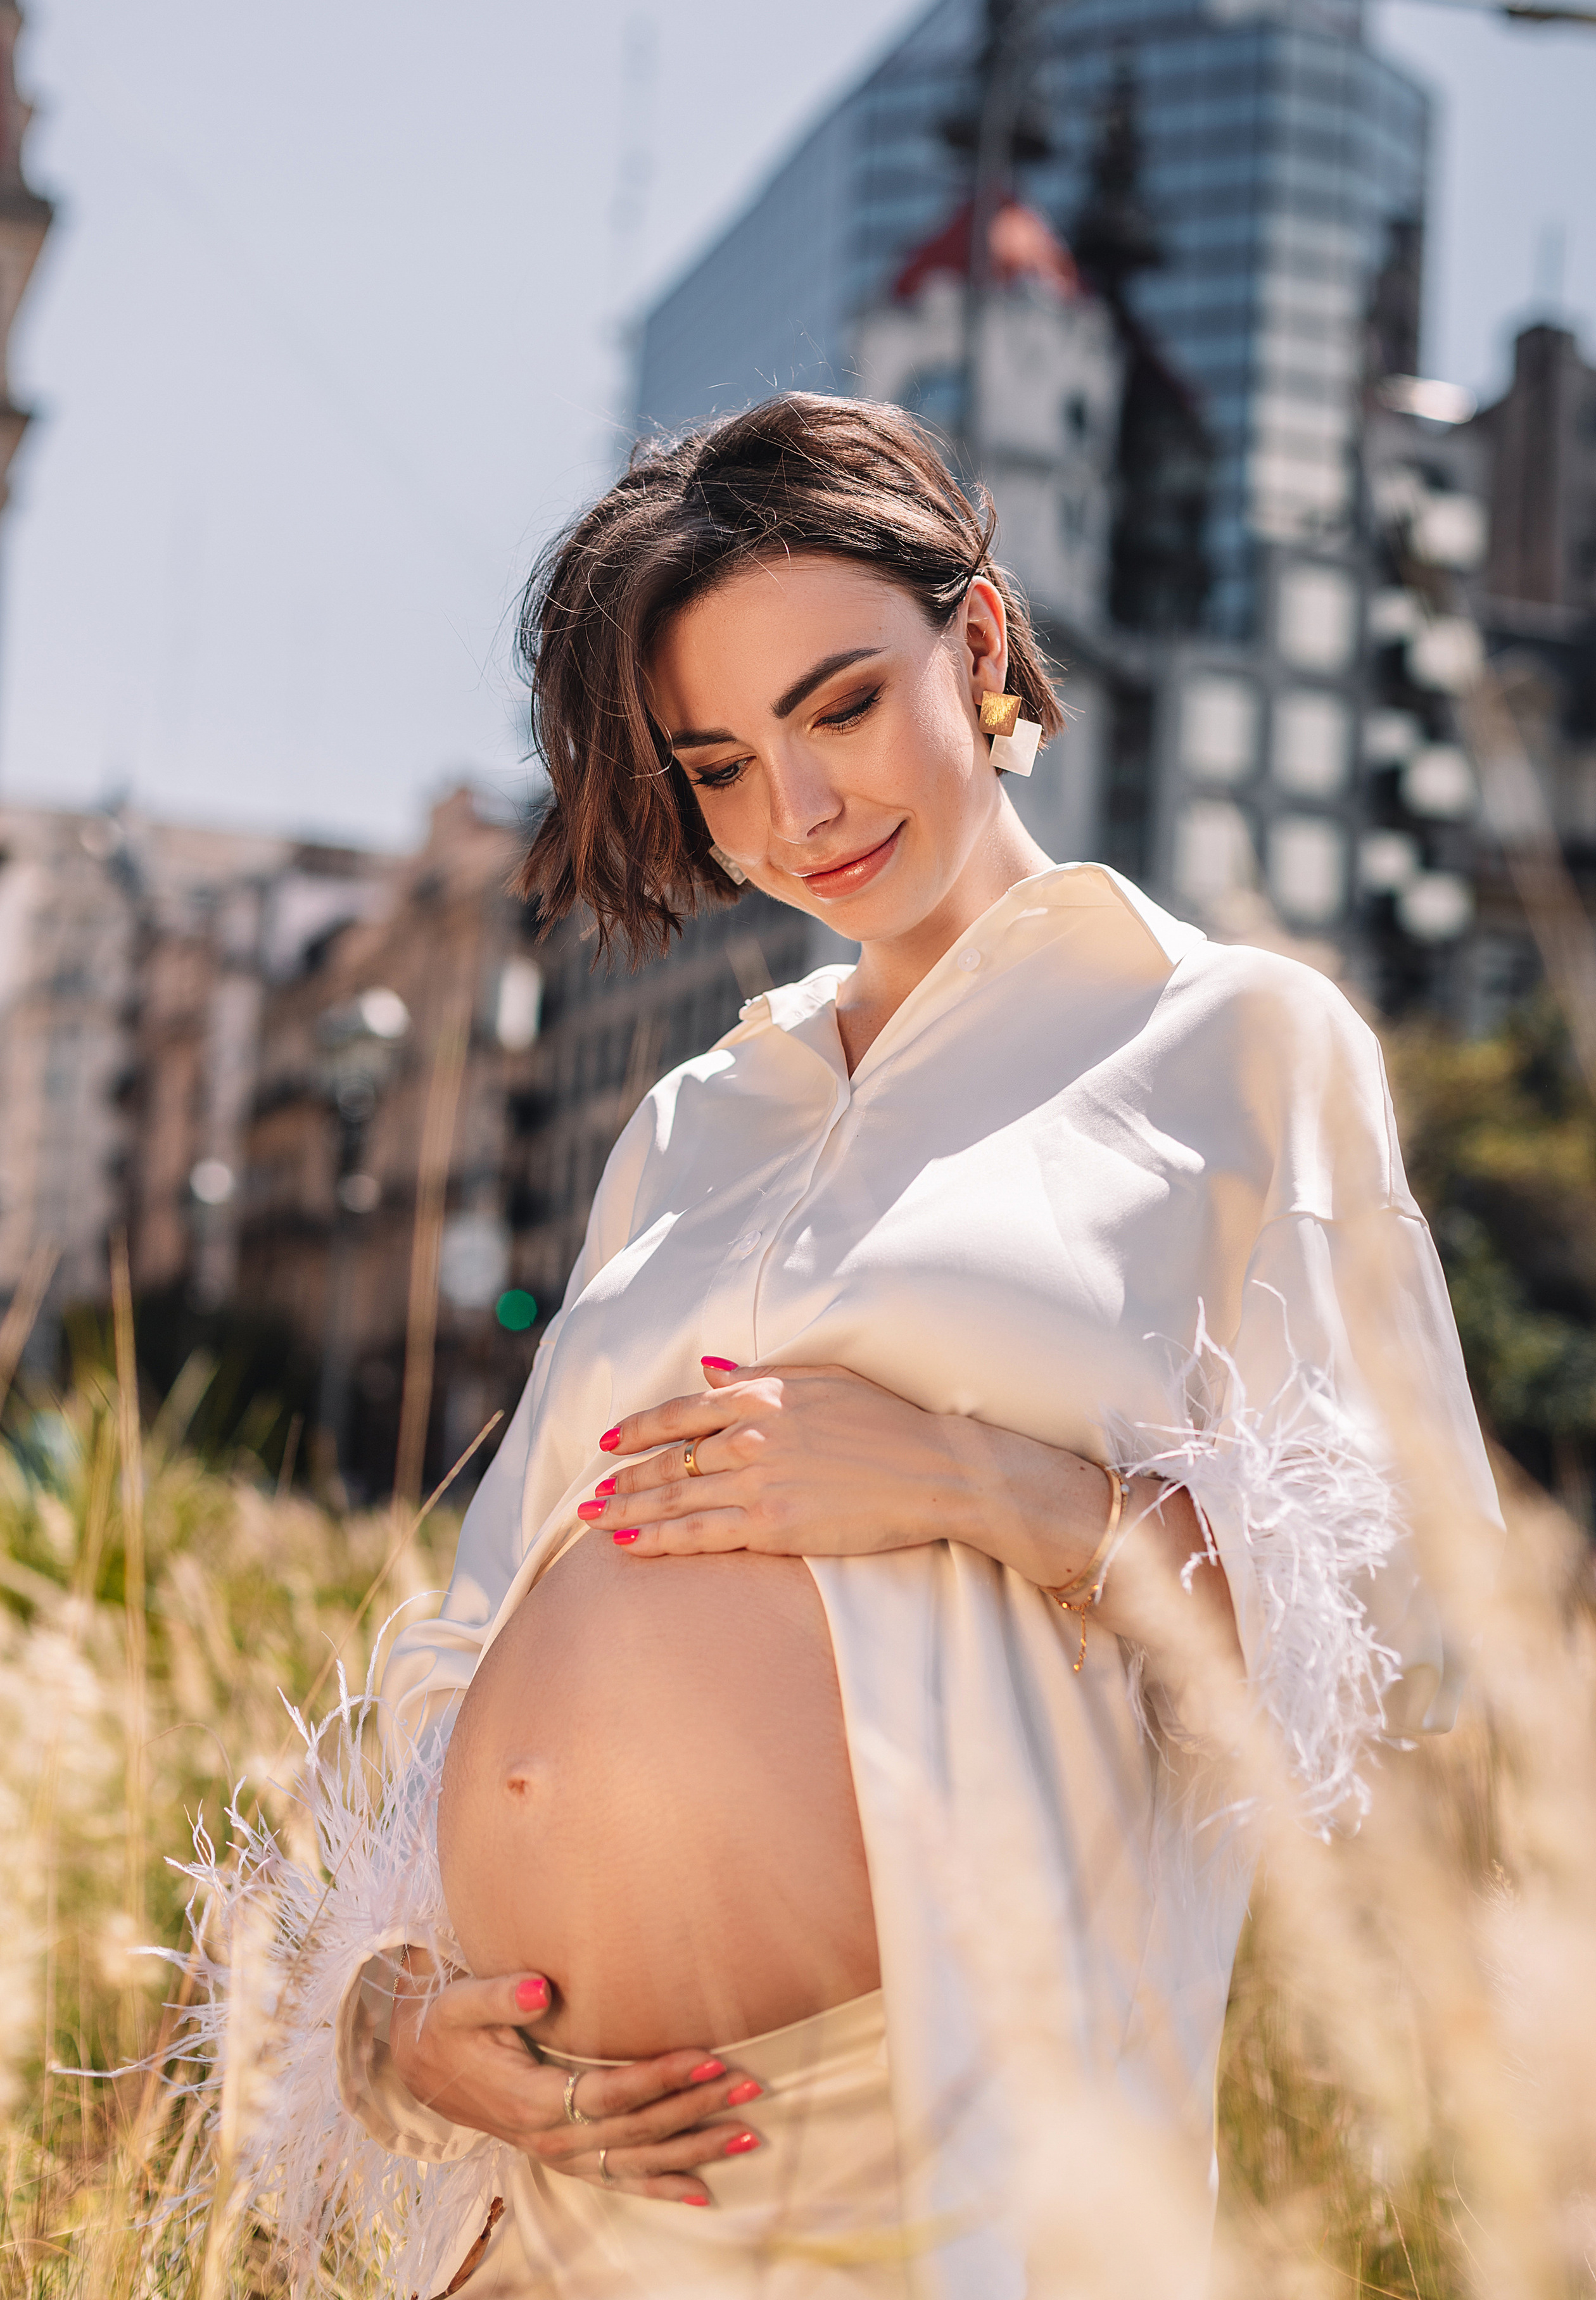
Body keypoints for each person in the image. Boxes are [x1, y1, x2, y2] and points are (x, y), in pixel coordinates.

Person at [221, 395, 1502, 2300]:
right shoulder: (691, 1118)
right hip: (553, 2149)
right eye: (719, 764)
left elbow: (1403, 1643)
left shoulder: (1236, 1042)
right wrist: (401, 2016)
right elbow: (481, 1637)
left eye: (840, 706)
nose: (796, 815)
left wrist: (997, 1489)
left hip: (910, 2131)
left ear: (977, 644)